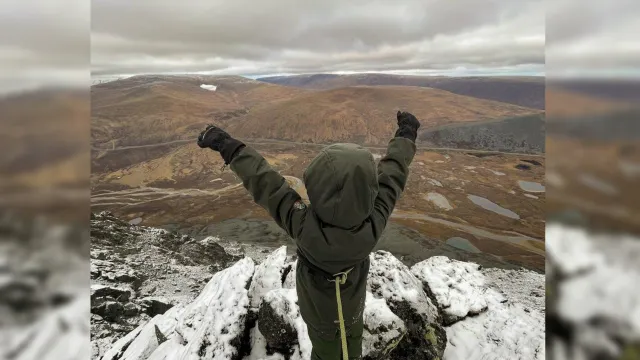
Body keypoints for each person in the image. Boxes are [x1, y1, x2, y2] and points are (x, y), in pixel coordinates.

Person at [197, 111, 420, 360]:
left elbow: (265, 181)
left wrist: (227, 146)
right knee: (351, 343)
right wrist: (406, 134)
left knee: (325, 352)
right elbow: (392, 175)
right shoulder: (374, 221)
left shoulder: (303, 224)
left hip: (319, 317)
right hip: (354, 311)